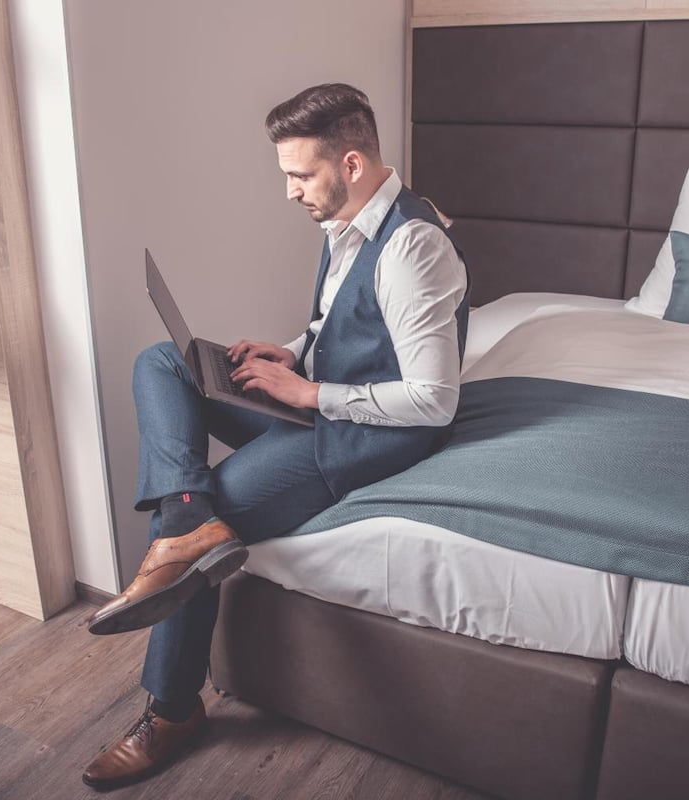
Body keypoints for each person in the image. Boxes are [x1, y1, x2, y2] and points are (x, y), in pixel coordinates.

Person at [80, 83, 470, 790]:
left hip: (366, 437)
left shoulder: (413, 247)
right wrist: (295, 351)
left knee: (209, 522)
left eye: (299, 175)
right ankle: (185, 518)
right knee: (166, 361)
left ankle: (170, 710)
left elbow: (436, 400)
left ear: (351, 164)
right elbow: (341, 324)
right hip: (321, 400)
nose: (289, 192)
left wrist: (310, 392)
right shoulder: (347, 222)